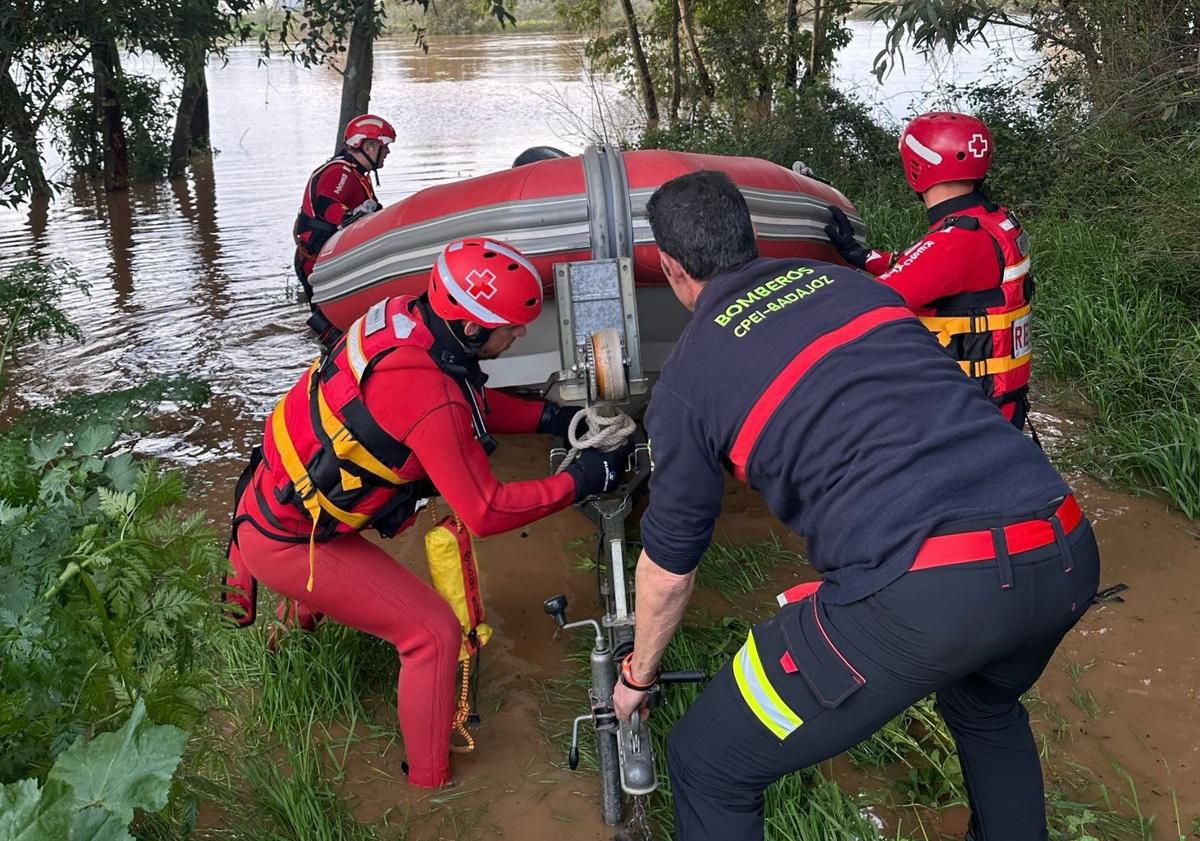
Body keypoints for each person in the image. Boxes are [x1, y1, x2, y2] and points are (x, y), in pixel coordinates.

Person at [611, 171, 1100, 841]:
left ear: (669, 266)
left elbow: (668, 569)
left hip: (930, 592)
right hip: (1063, 540)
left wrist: (638, 675)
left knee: (708, 759)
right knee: (986, 707)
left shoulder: (688, 381)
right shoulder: (856, 287)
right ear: (750, 238)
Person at [224, 237, 630, 789]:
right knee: (433, 635)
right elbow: (485, 511)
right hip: (291, 542)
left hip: (273, 498)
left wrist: (551, 418)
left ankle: (295, 642)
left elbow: (466, 403)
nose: (520, 335)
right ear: (470, 329)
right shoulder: (427, 391)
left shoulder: (407, 320)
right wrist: (582, 479)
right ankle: (431, 786)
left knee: (358, 579)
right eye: (511, 328)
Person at [825, 112, 1035, 429]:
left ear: (918, 167)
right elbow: (929, 270)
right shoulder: (991, 221)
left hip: (968, 415)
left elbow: (868, 302)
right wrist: (862, 256)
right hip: (1000, 406)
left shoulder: (957, 240)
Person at [293, 114, 394, 330]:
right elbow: (325, 203)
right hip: (317, 259)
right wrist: (347, 218)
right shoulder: (341, 171)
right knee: (329, 324)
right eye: (384, 146)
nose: (387, 152)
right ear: (368, 147)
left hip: (331, 258)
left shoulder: (358, 174)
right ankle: (329, 354)